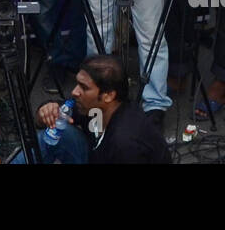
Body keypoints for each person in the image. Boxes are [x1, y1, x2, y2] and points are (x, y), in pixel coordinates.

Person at [30, 55, 172, 164]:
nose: (74, 92)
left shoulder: (124, 144)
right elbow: (46, 120)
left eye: (84, 87)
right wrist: (45, 112)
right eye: (77, 84)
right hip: (97, 156)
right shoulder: (94, 107)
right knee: (53, 133)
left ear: (108, 96)